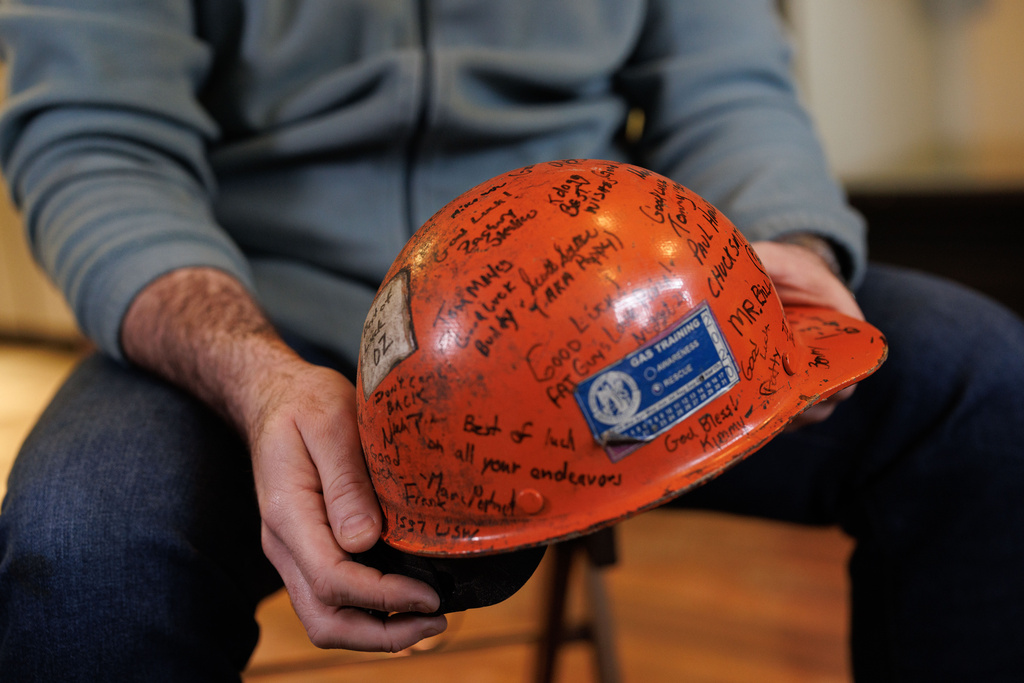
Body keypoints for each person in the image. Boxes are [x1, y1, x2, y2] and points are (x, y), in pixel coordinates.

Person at [0, 1, 1021, 680]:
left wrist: (781, 247)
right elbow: (97, 141)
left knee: (979, 386)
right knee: (83, 545)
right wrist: (254, 376)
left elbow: (725, 88)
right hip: (265, 325)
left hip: (608, 311)